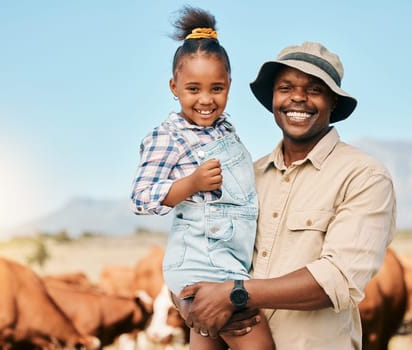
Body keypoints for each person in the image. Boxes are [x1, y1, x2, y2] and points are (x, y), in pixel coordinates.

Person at [179, 41, 397, 349]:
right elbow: (203, 254)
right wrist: (190, 304)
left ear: (333, 101)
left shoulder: (364, 176)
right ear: (273, 98)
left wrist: (235, 292)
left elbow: (336, 280)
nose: (298, 97)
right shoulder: (244, 177)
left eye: (314, 89)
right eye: (286, 87)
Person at [130, 6, 275, 350]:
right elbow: (141, 197)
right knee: (258, 345)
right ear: (174, 87)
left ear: (229, 86)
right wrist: (190, 184)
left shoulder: (225, 129)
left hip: (228, 260)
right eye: (193, 89)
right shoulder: (169, 136)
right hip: (202, 264)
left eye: (217, 88)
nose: (206, 100)